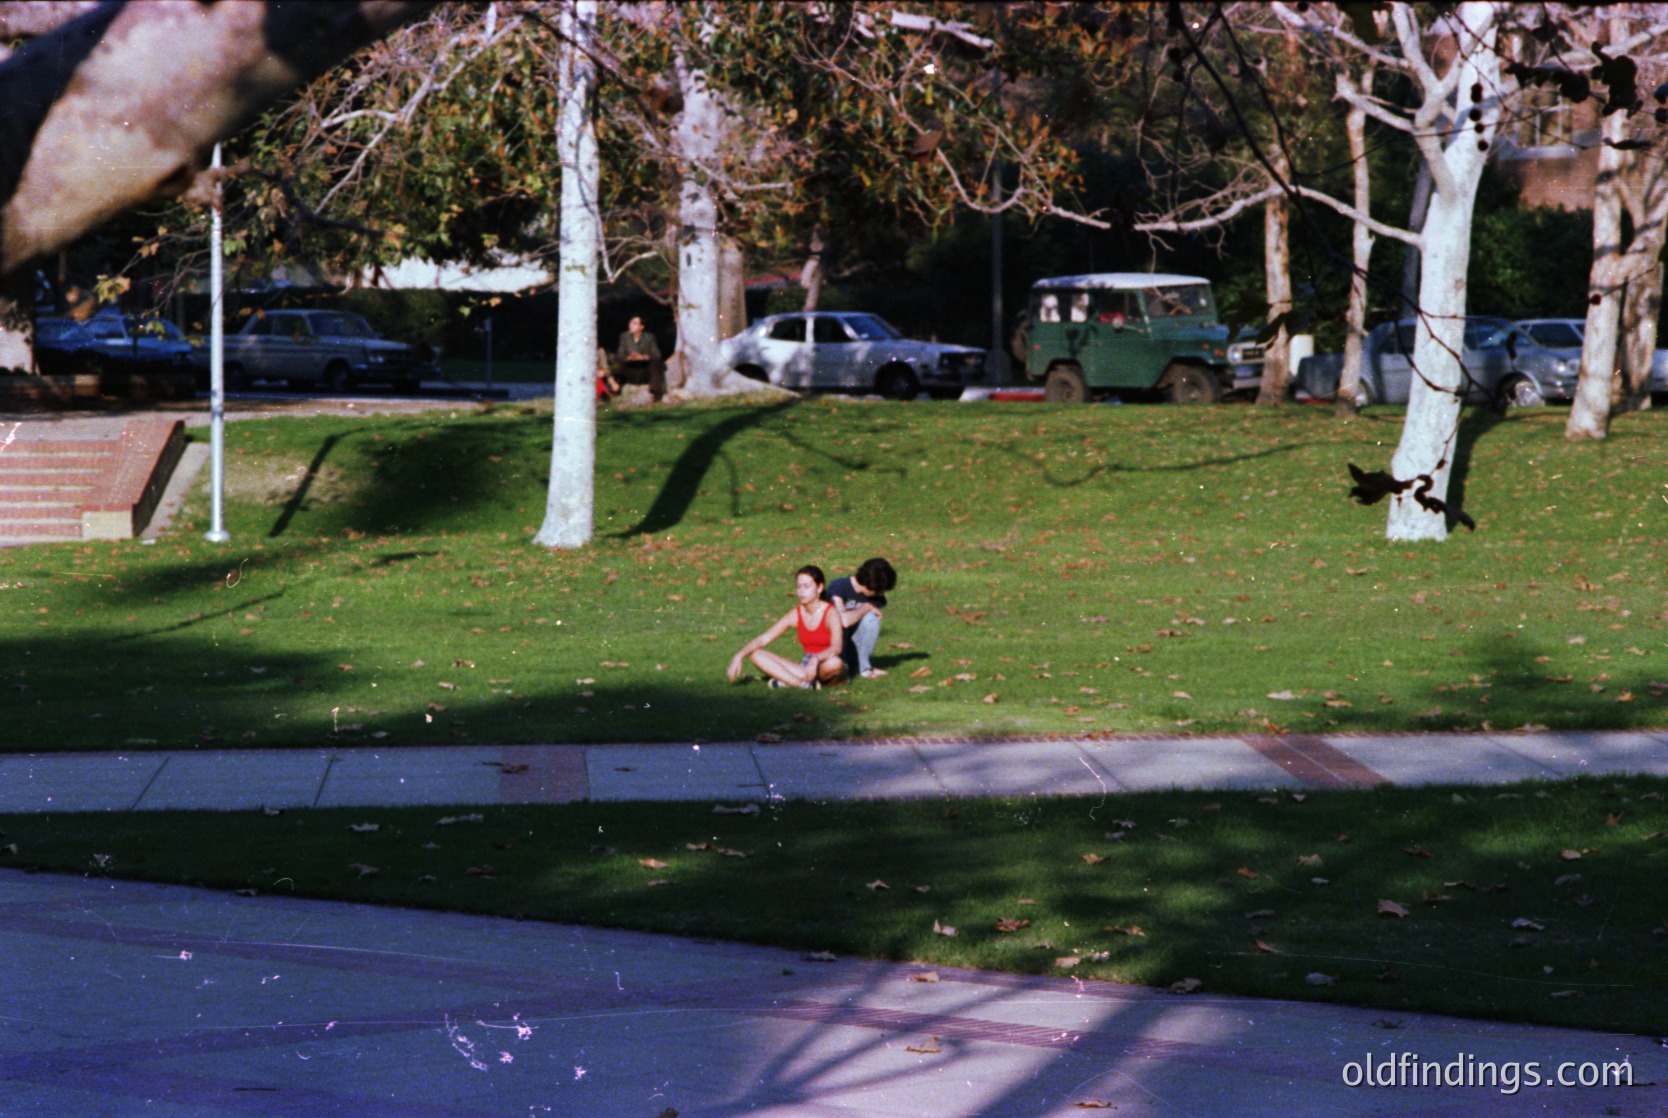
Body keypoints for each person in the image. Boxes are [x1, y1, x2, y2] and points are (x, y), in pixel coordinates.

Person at [727, 565, 845, 689]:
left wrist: (816, 659)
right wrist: (738, 656)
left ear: (819, 588)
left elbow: (837, 647)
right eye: (799, 587)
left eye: (806, 586)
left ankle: (787, 681)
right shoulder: (796, 614)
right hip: (805, 667)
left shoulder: (831, 613)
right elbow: (764, 638)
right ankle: (802, 684)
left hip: (826, 661)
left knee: (834, 664)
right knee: (755, 654)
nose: (801, 591)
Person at [825, 557, 896, 679]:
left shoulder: (876, 598)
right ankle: (842, 666)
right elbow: (843, 621)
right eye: (880, 590)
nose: (881, 594)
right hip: (833, 643)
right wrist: (866, 607)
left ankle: (862, 667)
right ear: (872, 585)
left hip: (854, 642)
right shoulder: (839, 587)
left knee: (871, 620)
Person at [615, 315, 665, 403]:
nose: (630, 325)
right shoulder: (624, 337)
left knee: (656, 364)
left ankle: (656, 394)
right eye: (630, 323)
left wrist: (642, 357)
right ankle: (615, 389)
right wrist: (629, 357)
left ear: (641, 327)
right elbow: (620, 355)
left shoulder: (649, 338)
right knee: (617, 363)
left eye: (634, 323)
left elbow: (656, 355)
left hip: (644, 370)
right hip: (630, 369)